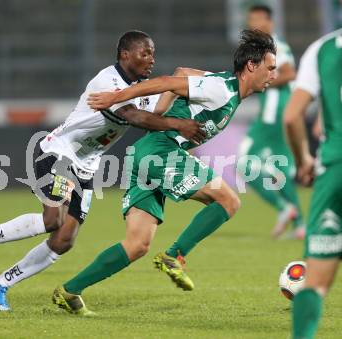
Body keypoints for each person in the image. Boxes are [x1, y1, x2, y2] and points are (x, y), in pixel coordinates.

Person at [0, 30, 205, 311]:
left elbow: (157, 104)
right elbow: (134, 117)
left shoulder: (139, 88)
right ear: (125, 54)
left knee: (64, 240)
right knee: (53, 218)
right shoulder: (107, 81)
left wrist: (206, 83)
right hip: (59, 154)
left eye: (153, 54)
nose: (151, 59)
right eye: (144, 53)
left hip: (85, 168)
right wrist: (178, 124)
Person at [52, 29, 277, 315]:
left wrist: (158, 115)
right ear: (251, 66)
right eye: (270, 68)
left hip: (145, 155)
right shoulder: (221, 89)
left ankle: (69, 291)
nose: (273, 74)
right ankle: (174, 256)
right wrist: (116, 97)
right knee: (229, 200)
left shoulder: (221, 84)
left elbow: (181, 73)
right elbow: (165, 82)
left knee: (136, 245)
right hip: (161, 150)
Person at [284, 28, 342, 339]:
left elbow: (292, 117)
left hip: (334, 170)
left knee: (316, 282)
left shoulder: (323, 48)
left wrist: (304, 159)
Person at [238, 4, 305, 239]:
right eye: (251, 19)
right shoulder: (261, 47)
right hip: (269, 113)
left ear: (270, 23)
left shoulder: (275, 45)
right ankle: (298, 222)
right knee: (278, 168)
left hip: (277, 113)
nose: (255, 24)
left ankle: (287, 211)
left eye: (259, 19)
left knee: (247, 165)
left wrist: (260, 82)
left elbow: (289, 73)